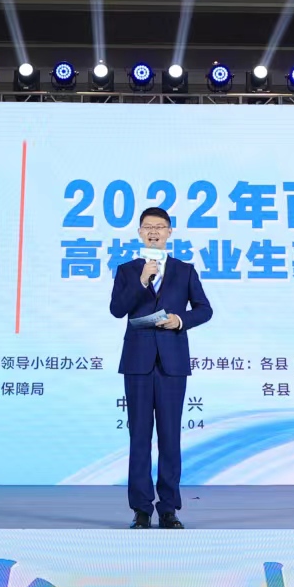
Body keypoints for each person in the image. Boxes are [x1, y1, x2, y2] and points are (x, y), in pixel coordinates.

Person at [109, 206, 213, 528]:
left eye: (160, 226)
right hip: (137, 363)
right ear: (140, 232)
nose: (153, 231)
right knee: (139, 437)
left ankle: (169, 508)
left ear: (169, 232)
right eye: (147, 227)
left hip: (172, 363)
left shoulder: (185, 270)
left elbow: (205, 309)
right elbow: (117, 310)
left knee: (170, 438)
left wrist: (180, 320)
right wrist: (141, 281)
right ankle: (141, 509)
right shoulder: (127, 271)